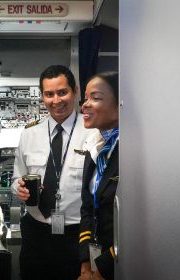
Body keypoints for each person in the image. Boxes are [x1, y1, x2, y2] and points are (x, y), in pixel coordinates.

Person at [11, 65, 95, 280]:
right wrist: (18, 188)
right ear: (42, 97)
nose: (56, 100)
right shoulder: (29, 134)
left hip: (76, 234)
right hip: (36, 232)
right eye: (49, 94)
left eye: (62, 92)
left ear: (75, 91)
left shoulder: (94, 133)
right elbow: (16, 177)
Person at [78, 72, 119, 280]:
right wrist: (86, 262)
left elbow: (138, 224)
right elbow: (87, 206)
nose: (85, 105)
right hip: (96, 261)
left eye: (95, 98)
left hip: (122, 263)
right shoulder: (94, 146)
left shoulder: (136, 152)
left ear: (120, 103)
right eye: (86, 98)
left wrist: (103, 269)